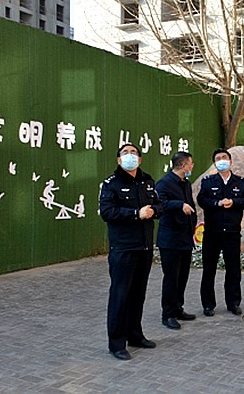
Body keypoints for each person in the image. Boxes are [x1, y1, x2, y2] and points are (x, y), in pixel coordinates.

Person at [99, 143, 163, 361]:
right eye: (125, 153)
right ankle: (116, 343)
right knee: (120, 295)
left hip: (144, 247)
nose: (130, 156)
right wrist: (136, 214)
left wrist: (153, 210)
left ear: (140, 159)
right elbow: (107, 212)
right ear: (119, 160)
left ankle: (135, 335)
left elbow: (159, 205)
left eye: (133, 153)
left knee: (138, 294)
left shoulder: (147, 182)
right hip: (123, 248)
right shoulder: (111, 184)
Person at [197, 149, 244, 316]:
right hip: (212, 233)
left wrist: (233, 202)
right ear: (215, 163)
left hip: (232, 233)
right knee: (209, 270)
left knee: (233, 270)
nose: (222, 160)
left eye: (224, 158)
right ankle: (208, 305)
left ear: (230, 161)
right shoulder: (208, 182)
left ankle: (233, 303)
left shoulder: (240, 182)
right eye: (218, 159)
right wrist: (217, 203)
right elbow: (201, 200)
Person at [156, 151, 197, 330]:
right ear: (183, 165)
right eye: (190, 164)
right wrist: (179, 205)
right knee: (171, 277)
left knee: (182, 276)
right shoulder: (164, 183)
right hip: (170, 239)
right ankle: (168, 314)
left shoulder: (185, 183)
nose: (192, 167)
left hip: (185, 237)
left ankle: (178, 308)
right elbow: (160, 205)